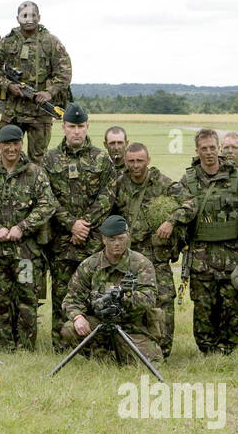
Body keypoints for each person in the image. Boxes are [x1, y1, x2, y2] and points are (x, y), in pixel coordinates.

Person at [156, 128, 238, 355]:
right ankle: (206, 348)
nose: (209, 152)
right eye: (204, 149)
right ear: (197, 151)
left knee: (231, 305)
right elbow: (182, 213)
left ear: (219, 148)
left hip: (231, 254)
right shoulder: (188, 180)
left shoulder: (237, 179)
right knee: (203, 306)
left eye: (213, 147)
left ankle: (226, 348)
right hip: (201, 256)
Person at [41, 103, 118, 350]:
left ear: (87, 127)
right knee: (62, 294)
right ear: (63, 127)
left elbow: (108, 196)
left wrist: (84, 225)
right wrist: (71, 224)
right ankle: (61, 344)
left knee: (93, 294)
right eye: (71, 127)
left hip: (92, 241)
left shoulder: (101, 158)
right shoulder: (49, 159)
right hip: (62, 241)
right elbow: (47, 197)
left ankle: (93, 344)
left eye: (80, 126)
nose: (76, 131)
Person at [0, 125, 57, 351]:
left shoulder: (35, 172)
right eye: (6, 144)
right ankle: (2, 345)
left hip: (26, 253)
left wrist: (23, 227)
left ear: (21, 144)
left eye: (15, 143)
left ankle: (25, 347)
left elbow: (47, 205)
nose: (11, 149)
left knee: (26, 299)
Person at [109, 142, 184, 358]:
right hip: (129, 256)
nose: (135, 165)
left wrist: (171, 221)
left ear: (148, 160)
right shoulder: (119, 184)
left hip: (156, 256)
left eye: (139, 160)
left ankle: (165, 349)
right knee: (127, 299)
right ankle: (134, 347)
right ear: (125, 161)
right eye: (131, 161)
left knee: (163, 300)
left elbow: (189, 203)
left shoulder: (162, 183)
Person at [59, 215, 163, 367]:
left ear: (127, 237)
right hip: (100, 324)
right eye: (112, 239)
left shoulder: (141, 264)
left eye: (121, 238)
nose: (117, 244)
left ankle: (122, 353)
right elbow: (71, 299)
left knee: (150, 364)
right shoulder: (90, 265)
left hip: (132, 326)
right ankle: (101, 355)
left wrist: (124, 297)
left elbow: (149, 299)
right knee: (69, 329)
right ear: (103, 240)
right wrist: (78, 317)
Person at [0, 1, 72, 162]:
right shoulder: (6, 42)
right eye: (25, 16)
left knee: (38, 159)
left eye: (33, 15)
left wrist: (49, 92)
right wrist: (8, 85)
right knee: (4, 154)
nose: (29, 19)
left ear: (39, 17)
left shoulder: (51, 42)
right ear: (17, 18)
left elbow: (65, 72)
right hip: (12, 112)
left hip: (40, 112)